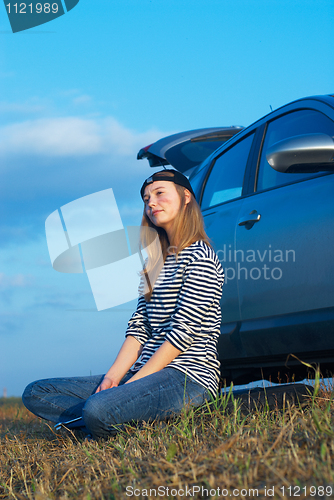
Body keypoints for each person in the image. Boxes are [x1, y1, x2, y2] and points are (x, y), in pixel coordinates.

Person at [22, 169, 224, 439]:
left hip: (188, 377)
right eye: (146, 198)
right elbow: (139, 327)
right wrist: (114, 378)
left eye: (159, 193)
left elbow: (182, 334)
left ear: (186, 196)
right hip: (145, 373)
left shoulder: (201, 258)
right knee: (36, 392)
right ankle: (109, 421)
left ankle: (91, 423)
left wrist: (133, 386)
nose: (151, 203)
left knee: (97, 408)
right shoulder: (155, 262)